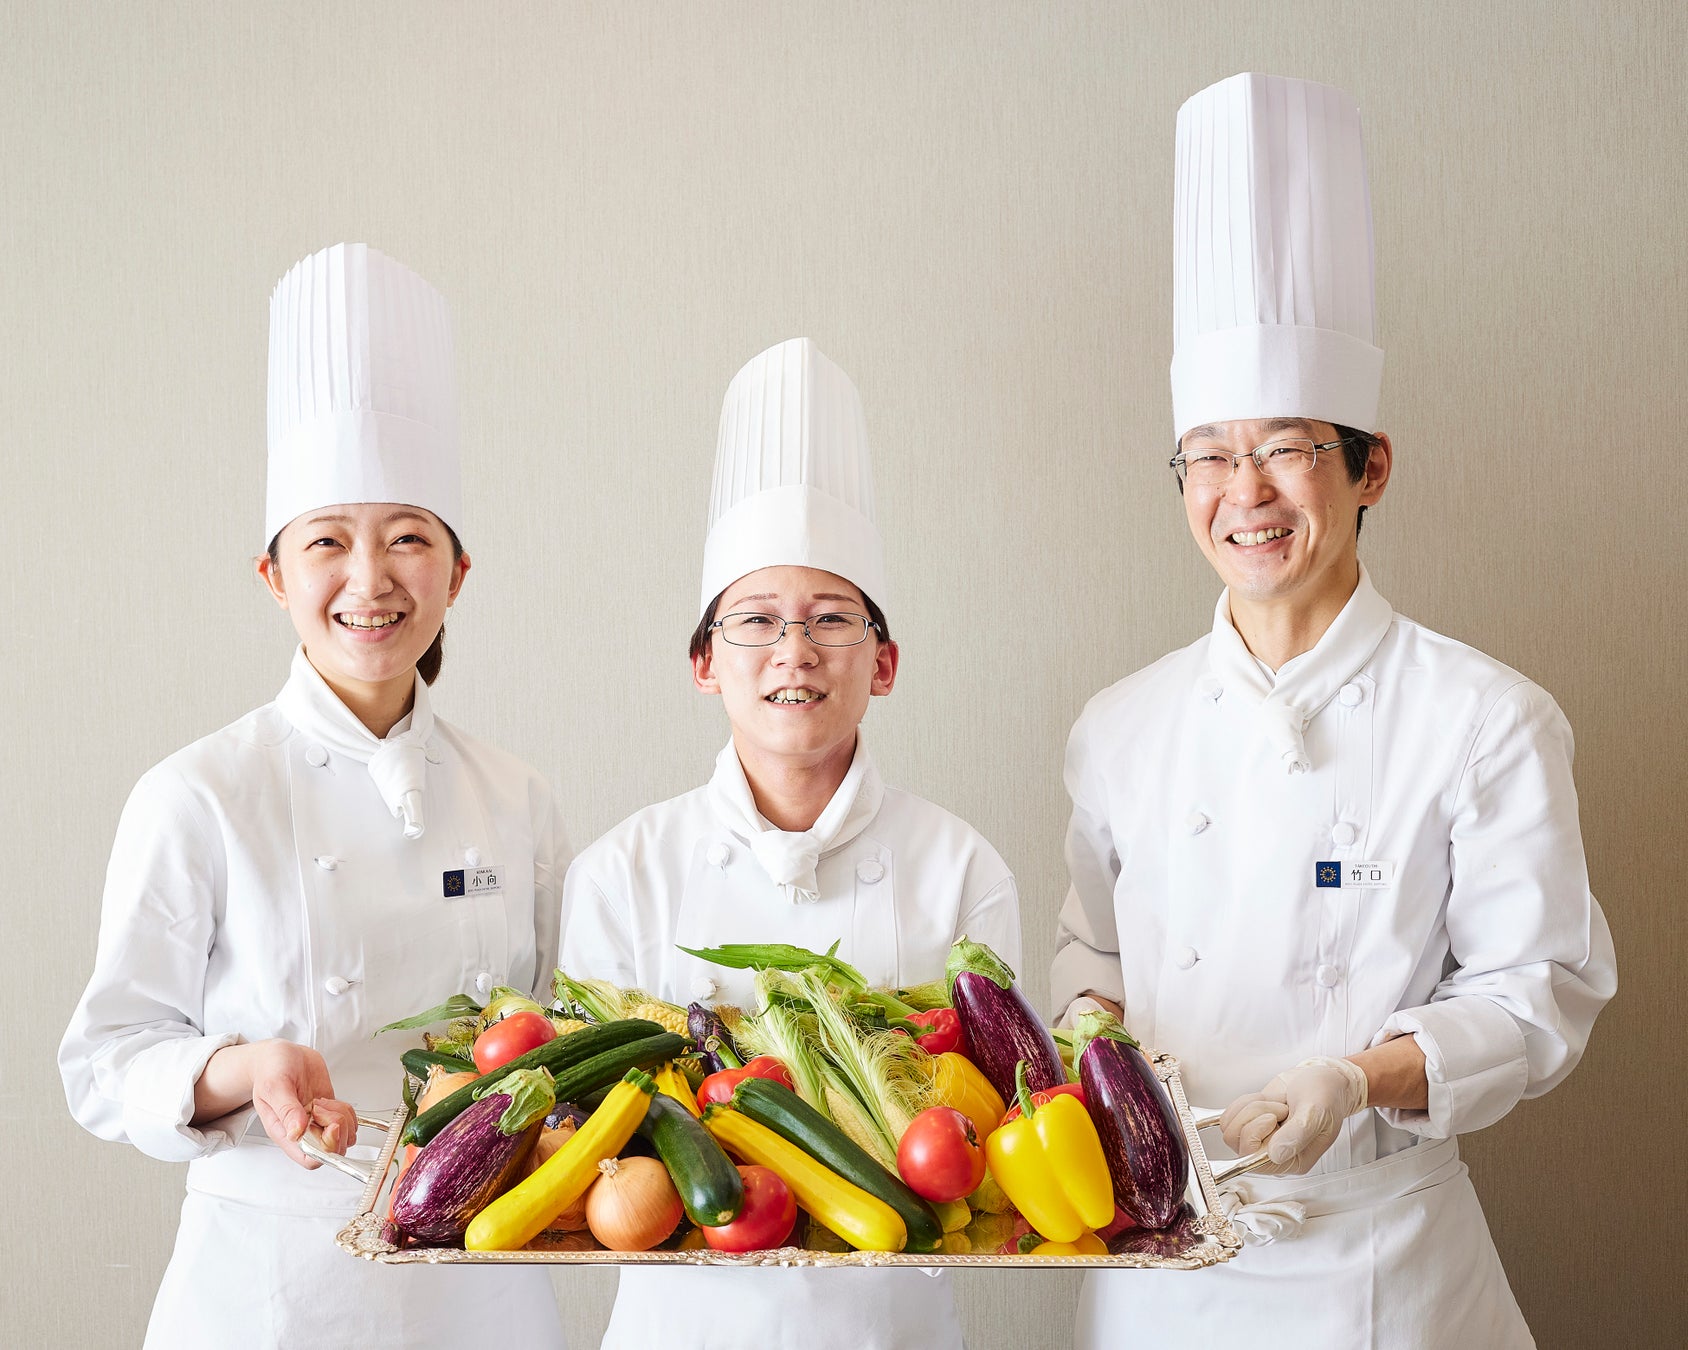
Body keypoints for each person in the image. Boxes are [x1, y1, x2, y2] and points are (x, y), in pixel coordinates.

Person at [1051, 74, 1616, 1348]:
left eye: (1286, 446)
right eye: (1207, 454)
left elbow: (1538, 997)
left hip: (1379, 1267)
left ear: (1369, 468)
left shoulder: (1486, 717)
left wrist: (1353, 1081)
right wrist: (1091, 1033)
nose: (1241, 492)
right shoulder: (1116, 727)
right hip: (1156, 1272)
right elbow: (1093, 957)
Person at [58, 244, 568, 1350]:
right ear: (274, 574)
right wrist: (238, 1069)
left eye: (408, 538)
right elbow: (105, 1063)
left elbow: (555, 1040)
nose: (370, 579)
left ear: (457, 572)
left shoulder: (519, 798)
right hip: (269, 1290)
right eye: (327, 541)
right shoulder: (197, 793)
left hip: (484, 1288)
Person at [562, 336, 1022, 1350]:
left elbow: (987, 1128)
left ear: (885, 662)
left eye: (830, 620)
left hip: (895, 1326)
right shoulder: (617, 873)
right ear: (702, 663)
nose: (794, 654)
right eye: (755, 622)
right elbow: (596, 1146)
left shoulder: (962, 869)